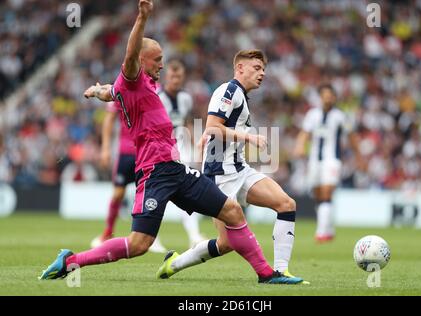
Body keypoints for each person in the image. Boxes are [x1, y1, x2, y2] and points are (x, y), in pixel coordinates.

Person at [40, 0, 301, 285]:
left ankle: (267, 274)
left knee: (232, 210)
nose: (162, 64)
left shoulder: (138, 85)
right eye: (157, 59)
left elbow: (110, 92)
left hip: (176, 169)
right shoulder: (133, 78)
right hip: (154, 172)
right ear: (141, 61)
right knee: (139, 244)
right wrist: (142, 18)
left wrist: (96, 90)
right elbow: (130, 56)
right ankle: (72, 260)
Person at [156, 50, 305, 282]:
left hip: (240, 169)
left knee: (286, 204)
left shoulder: (242, 96)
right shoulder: (229, 90)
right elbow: (213, 127)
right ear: (240, 68)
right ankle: (173, 264)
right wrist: (250, 138)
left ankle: (281, 271)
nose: (262, 73)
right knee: (226, 243)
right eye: (256, 68)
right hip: (220, 174)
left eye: (263, 69)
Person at [89, 99, 167, 253]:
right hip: (125, 152)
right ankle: (107, 232)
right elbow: (109, 119)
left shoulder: (155, 90)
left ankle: (151, 235)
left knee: (150, 194)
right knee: (118, 193)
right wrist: (105, 148)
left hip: (147, 152)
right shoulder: (121, 90)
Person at [294, 84, 363, 242]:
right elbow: (304, 133)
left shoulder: (340, 116)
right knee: (318, 195)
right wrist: (299, 146)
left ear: (334, 97)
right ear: (320, 97)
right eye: (325, 95)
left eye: (330, 95)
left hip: (332, 160)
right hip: (314, 160)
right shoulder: (312, 114)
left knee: (326, 192)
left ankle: (321, 232)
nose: (327, 98)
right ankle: (329, 229)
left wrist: (359, 157)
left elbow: (351, 137)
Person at [157, 59, 206, 247]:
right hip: (160, 151)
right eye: (172, 76)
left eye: (179, 76)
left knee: (187, 190)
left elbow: (186, 123)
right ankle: (150, 236)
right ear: (165, 77)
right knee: (161, 193)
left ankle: (194, 235)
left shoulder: (185, 97)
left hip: (181, 149)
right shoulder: (158, 97)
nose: (176, 80)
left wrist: (197, 146)